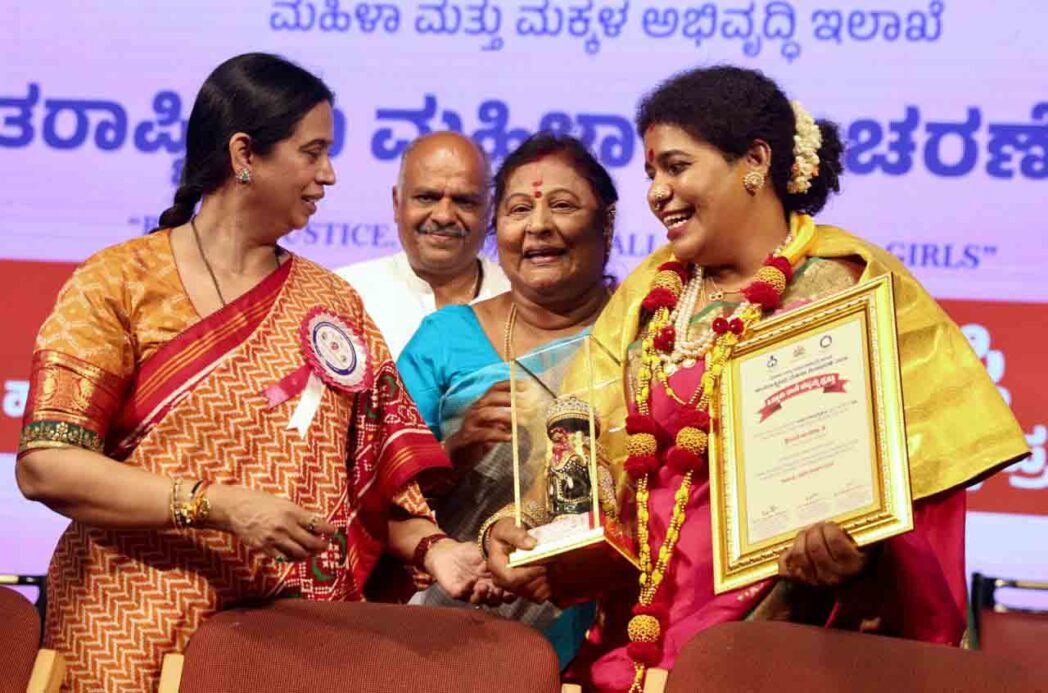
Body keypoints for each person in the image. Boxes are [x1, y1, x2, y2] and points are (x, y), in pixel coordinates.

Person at [483, 66, 1030, 691]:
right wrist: (527, 527)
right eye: (651, 173)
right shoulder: (650, 294)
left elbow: (921, 493)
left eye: (677, 167)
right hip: (635, 632)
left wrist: (861, 556)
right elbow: (582, 447)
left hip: (783, 639)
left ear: (755, 161)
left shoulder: (848, 283)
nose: (657, 193)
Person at [15, 53, 499, 693]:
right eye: (312, 152)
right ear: (245, 154)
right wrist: (219, 506)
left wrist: (440, 551)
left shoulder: (332, 304)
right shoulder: (119, 282)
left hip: (292, 642)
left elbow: (377, 485)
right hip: (130, 622)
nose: (328, 175)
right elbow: (47, 465)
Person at [396, 133, 617, 665]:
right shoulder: (444, 338)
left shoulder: (642, 333)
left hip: (612, 625)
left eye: (562, 205)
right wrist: (455, 451)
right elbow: (379, 486)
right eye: (519, 209)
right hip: (454, 624)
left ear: (607, 223)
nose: (538, 225)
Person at [336, 131, 510, 359]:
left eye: (464, 201)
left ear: (489, 211)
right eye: (427, 198)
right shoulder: (345, 294)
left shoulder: (521, 300)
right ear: (397, 203)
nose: (444, 216)